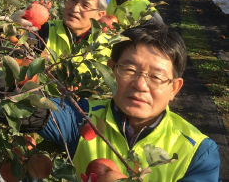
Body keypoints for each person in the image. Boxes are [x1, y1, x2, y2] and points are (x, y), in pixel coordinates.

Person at [24, 23, 221, 181]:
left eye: (156, 77)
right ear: (111, 70)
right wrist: (5, 87)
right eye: (129, 70)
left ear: (174, 88)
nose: (141, 84)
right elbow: (32, 110)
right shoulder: (83, 116)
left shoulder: (197, 151)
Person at [11, 0, 113, 64]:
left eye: (85, 5)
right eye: (73, 0)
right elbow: (14, 46)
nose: (75, 8)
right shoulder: (43, 30)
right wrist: (13, 26)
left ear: (99, 15)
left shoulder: (107, 48)